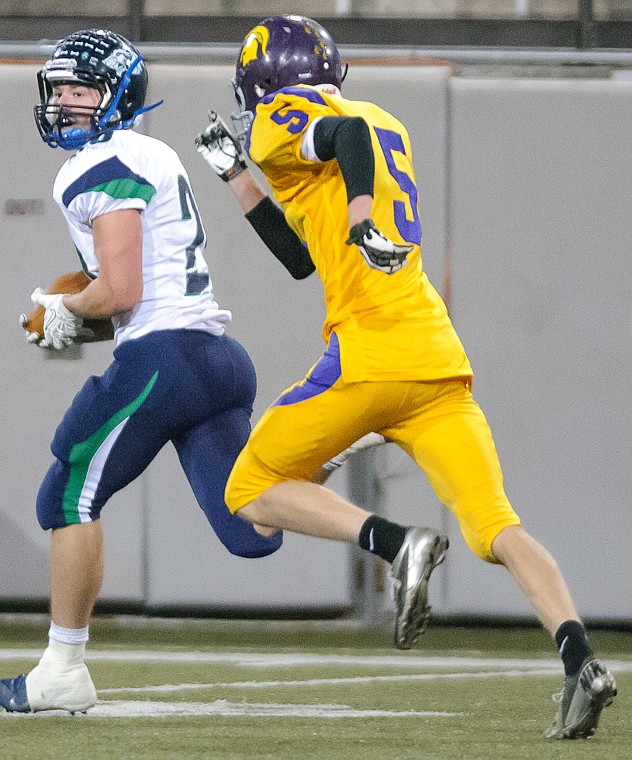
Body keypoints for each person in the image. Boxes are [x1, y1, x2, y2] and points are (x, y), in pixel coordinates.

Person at [0, 28, 441, 716]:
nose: (64, 103)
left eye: (81, 90)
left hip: (163, 360)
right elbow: (130, 291)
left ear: (117, 96)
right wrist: (72, 313)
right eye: (58, 90)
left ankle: (62, 669)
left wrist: (63, 309)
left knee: (68, 494)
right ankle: (346, 477)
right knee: (250, 527)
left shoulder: (95, 164)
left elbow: (120, 294)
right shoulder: (155, 153)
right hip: (216, 362)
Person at [195, 14, 617, 740]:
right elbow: (303, 257)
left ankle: (394, 542)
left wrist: (358, 217)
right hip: (435, 357)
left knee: (247, 494)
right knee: (496, 526)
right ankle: (581, 658)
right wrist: (237, 175)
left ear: (265, 81)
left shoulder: (283, 117)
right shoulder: (384, 117)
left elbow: (343, 146)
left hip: (365, 355)